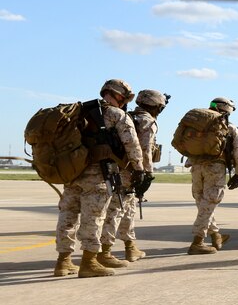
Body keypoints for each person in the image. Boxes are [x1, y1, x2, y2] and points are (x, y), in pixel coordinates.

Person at [54, 79, 146, 278]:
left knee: (67, 217)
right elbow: (132, 144)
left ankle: (63, 262)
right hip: (98, 176)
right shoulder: (117, 114)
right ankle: (89, 262)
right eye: (124, 98)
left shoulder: (78, 111)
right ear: (119, 96)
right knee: (93, 218)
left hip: (72, 174)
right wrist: (139, 169)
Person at [101, 89, 167, 263]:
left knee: (128, 208)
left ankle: (130, 247)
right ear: (157, 107)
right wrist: (146, 173)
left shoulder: (128, 115)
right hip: (130, 170)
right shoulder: (147, 121)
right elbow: (145, 149)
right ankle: (105, 251)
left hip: (118, 167)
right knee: (116, 210)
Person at [187, 97, 238, 255]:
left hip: (196, 166)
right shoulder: (229, 127)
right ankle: (197, 242)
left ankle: (216, 236)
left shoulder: (198, 124)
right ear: (227, 110)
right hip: (215, 167)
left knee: (203, 204)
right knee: (209, 204)